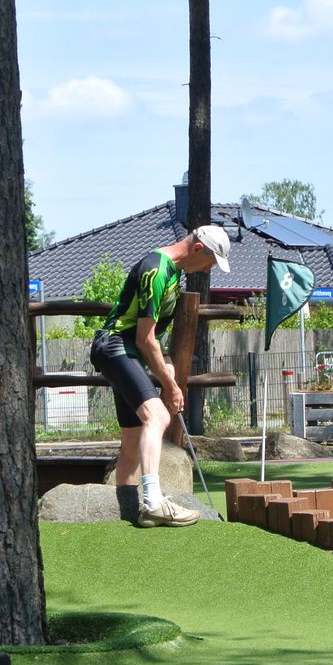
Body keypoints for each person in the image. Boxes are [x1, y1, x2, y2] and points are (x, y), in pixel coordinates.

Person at [90, 225, 231, 526]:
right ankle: (152, 501)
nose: (208, 270)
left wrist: (165, 364)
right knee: (158, 416)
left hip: (128, 353)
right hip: (115, 347)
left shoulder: (173, 275)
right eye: (210, 262)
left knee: (133, 437)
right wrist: (170, 386)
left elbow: (152, 339)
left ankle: (125, 508)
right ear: (197, 249)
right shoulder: (155, 270)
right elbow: (143, 339)